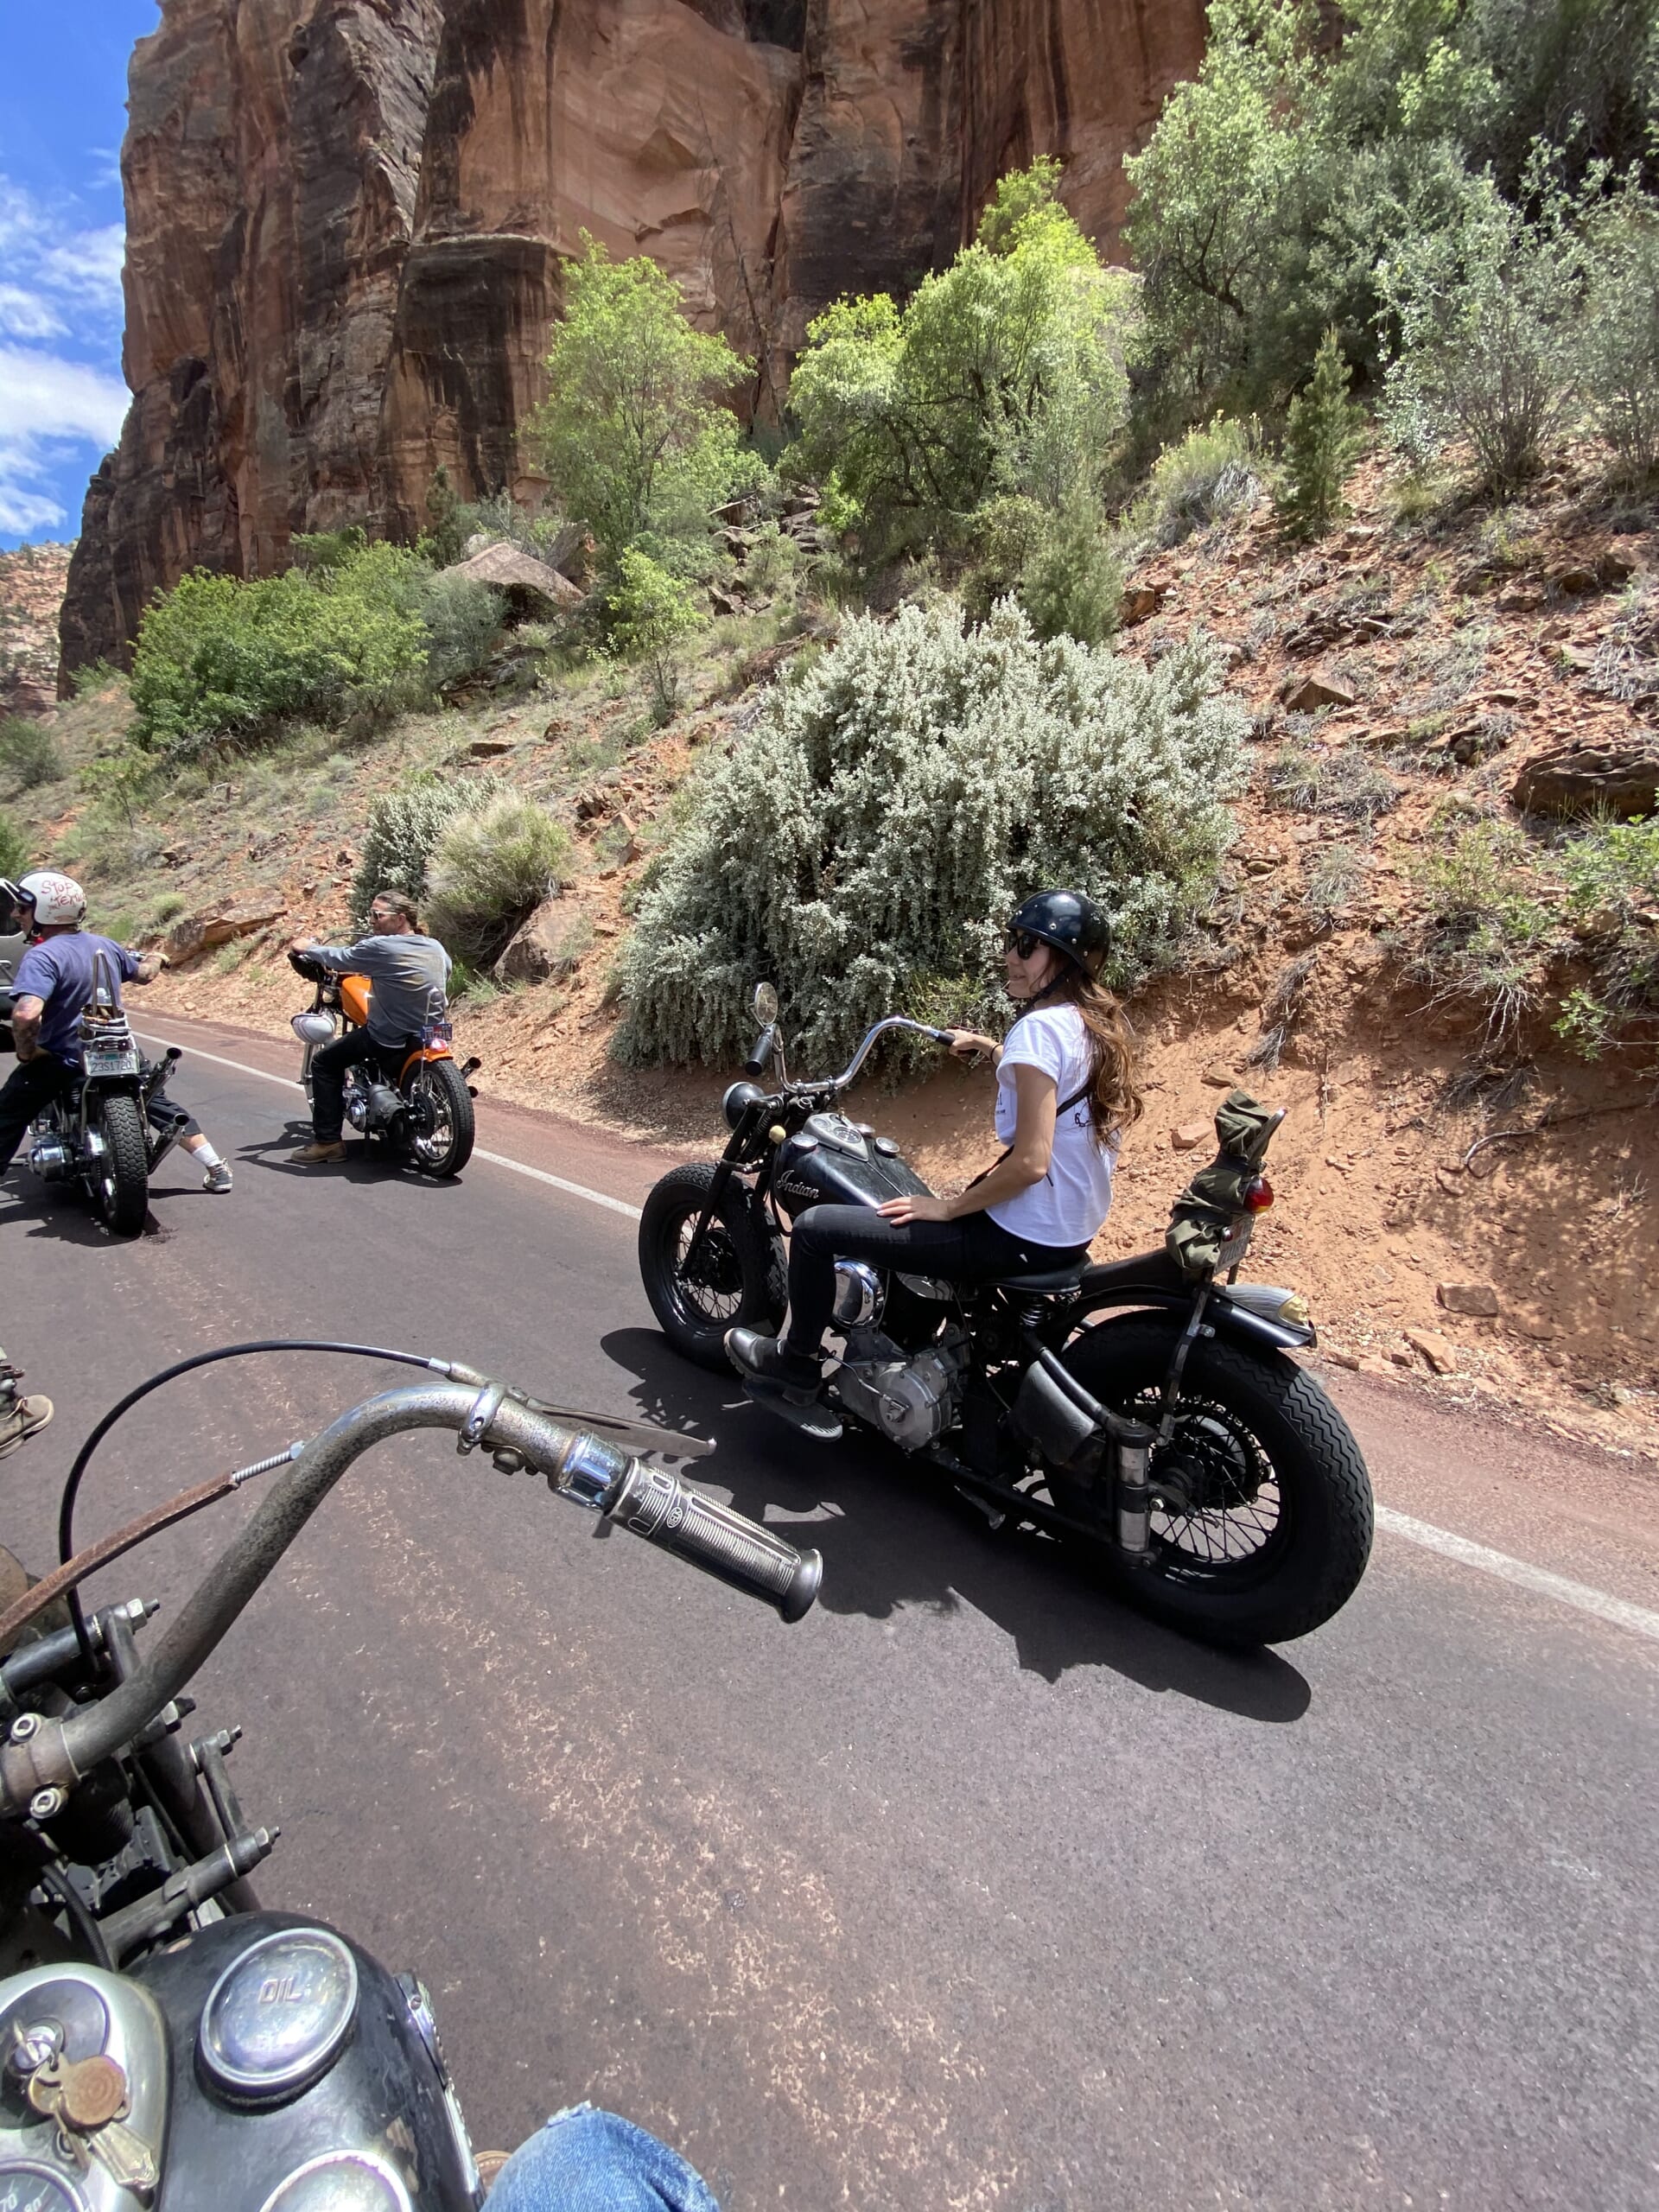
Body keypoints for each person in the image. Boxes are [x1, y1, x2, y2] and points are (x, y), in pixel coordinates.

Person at [728, 888, 1143, 1405]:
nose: (1010, 957)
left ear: (1065, 960)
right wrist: (989, 1047)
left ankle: (795, 1367)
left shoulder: (1038, 1030)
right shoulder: (1095, 1026)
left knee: (815, 1230)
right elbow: (1049, 1084)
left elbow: (1031, 1163)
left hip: (1020, 1234)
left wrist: (948, 1208)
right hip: (1068, 1231)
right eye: (1012, 941)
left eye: (1027, 946)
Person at [0, 871, 234, 1195]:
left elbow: (26, 1014)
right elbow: (145, 973)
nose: (16, 914)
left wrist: (27, 1053)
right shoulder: (105, 945)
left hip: (64, 1058)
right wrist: (157, 957)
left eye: (23, 908)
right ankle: (216, 1166)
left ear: (45, 912)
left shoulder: (42, 955)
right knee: (154, 1101)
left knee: (8, 1114)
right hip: (118, 1048)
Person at [288, 888, 452, 1165]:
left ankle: (328, 1143)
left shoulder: (380, 947)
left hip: (390, 1036)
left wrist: (307, 947)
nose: (372, 921)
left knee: (324, 1063)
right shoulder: (435, 946)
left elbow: (340, 958)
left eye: (377, 915)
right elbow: (445, 970)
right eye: (371, 915)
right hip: (431, 1031)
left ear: (400, 919)